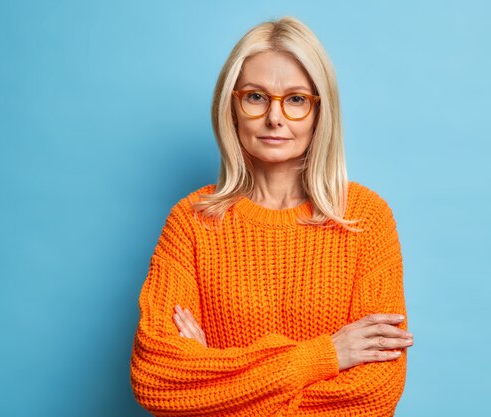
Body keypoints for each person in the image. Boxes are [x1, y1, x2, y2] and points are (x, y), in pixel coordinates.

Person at [130, 16, 413, 417]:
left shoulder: (365, 219)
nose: (275, 118)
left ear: (320, 112)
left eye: (296, 99)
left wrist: (216, 382)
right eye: (256, 97)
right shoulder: (191, 223)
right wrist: (325, 355)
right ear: (232, 106)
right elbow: (157, 379)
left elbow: (374, 393)